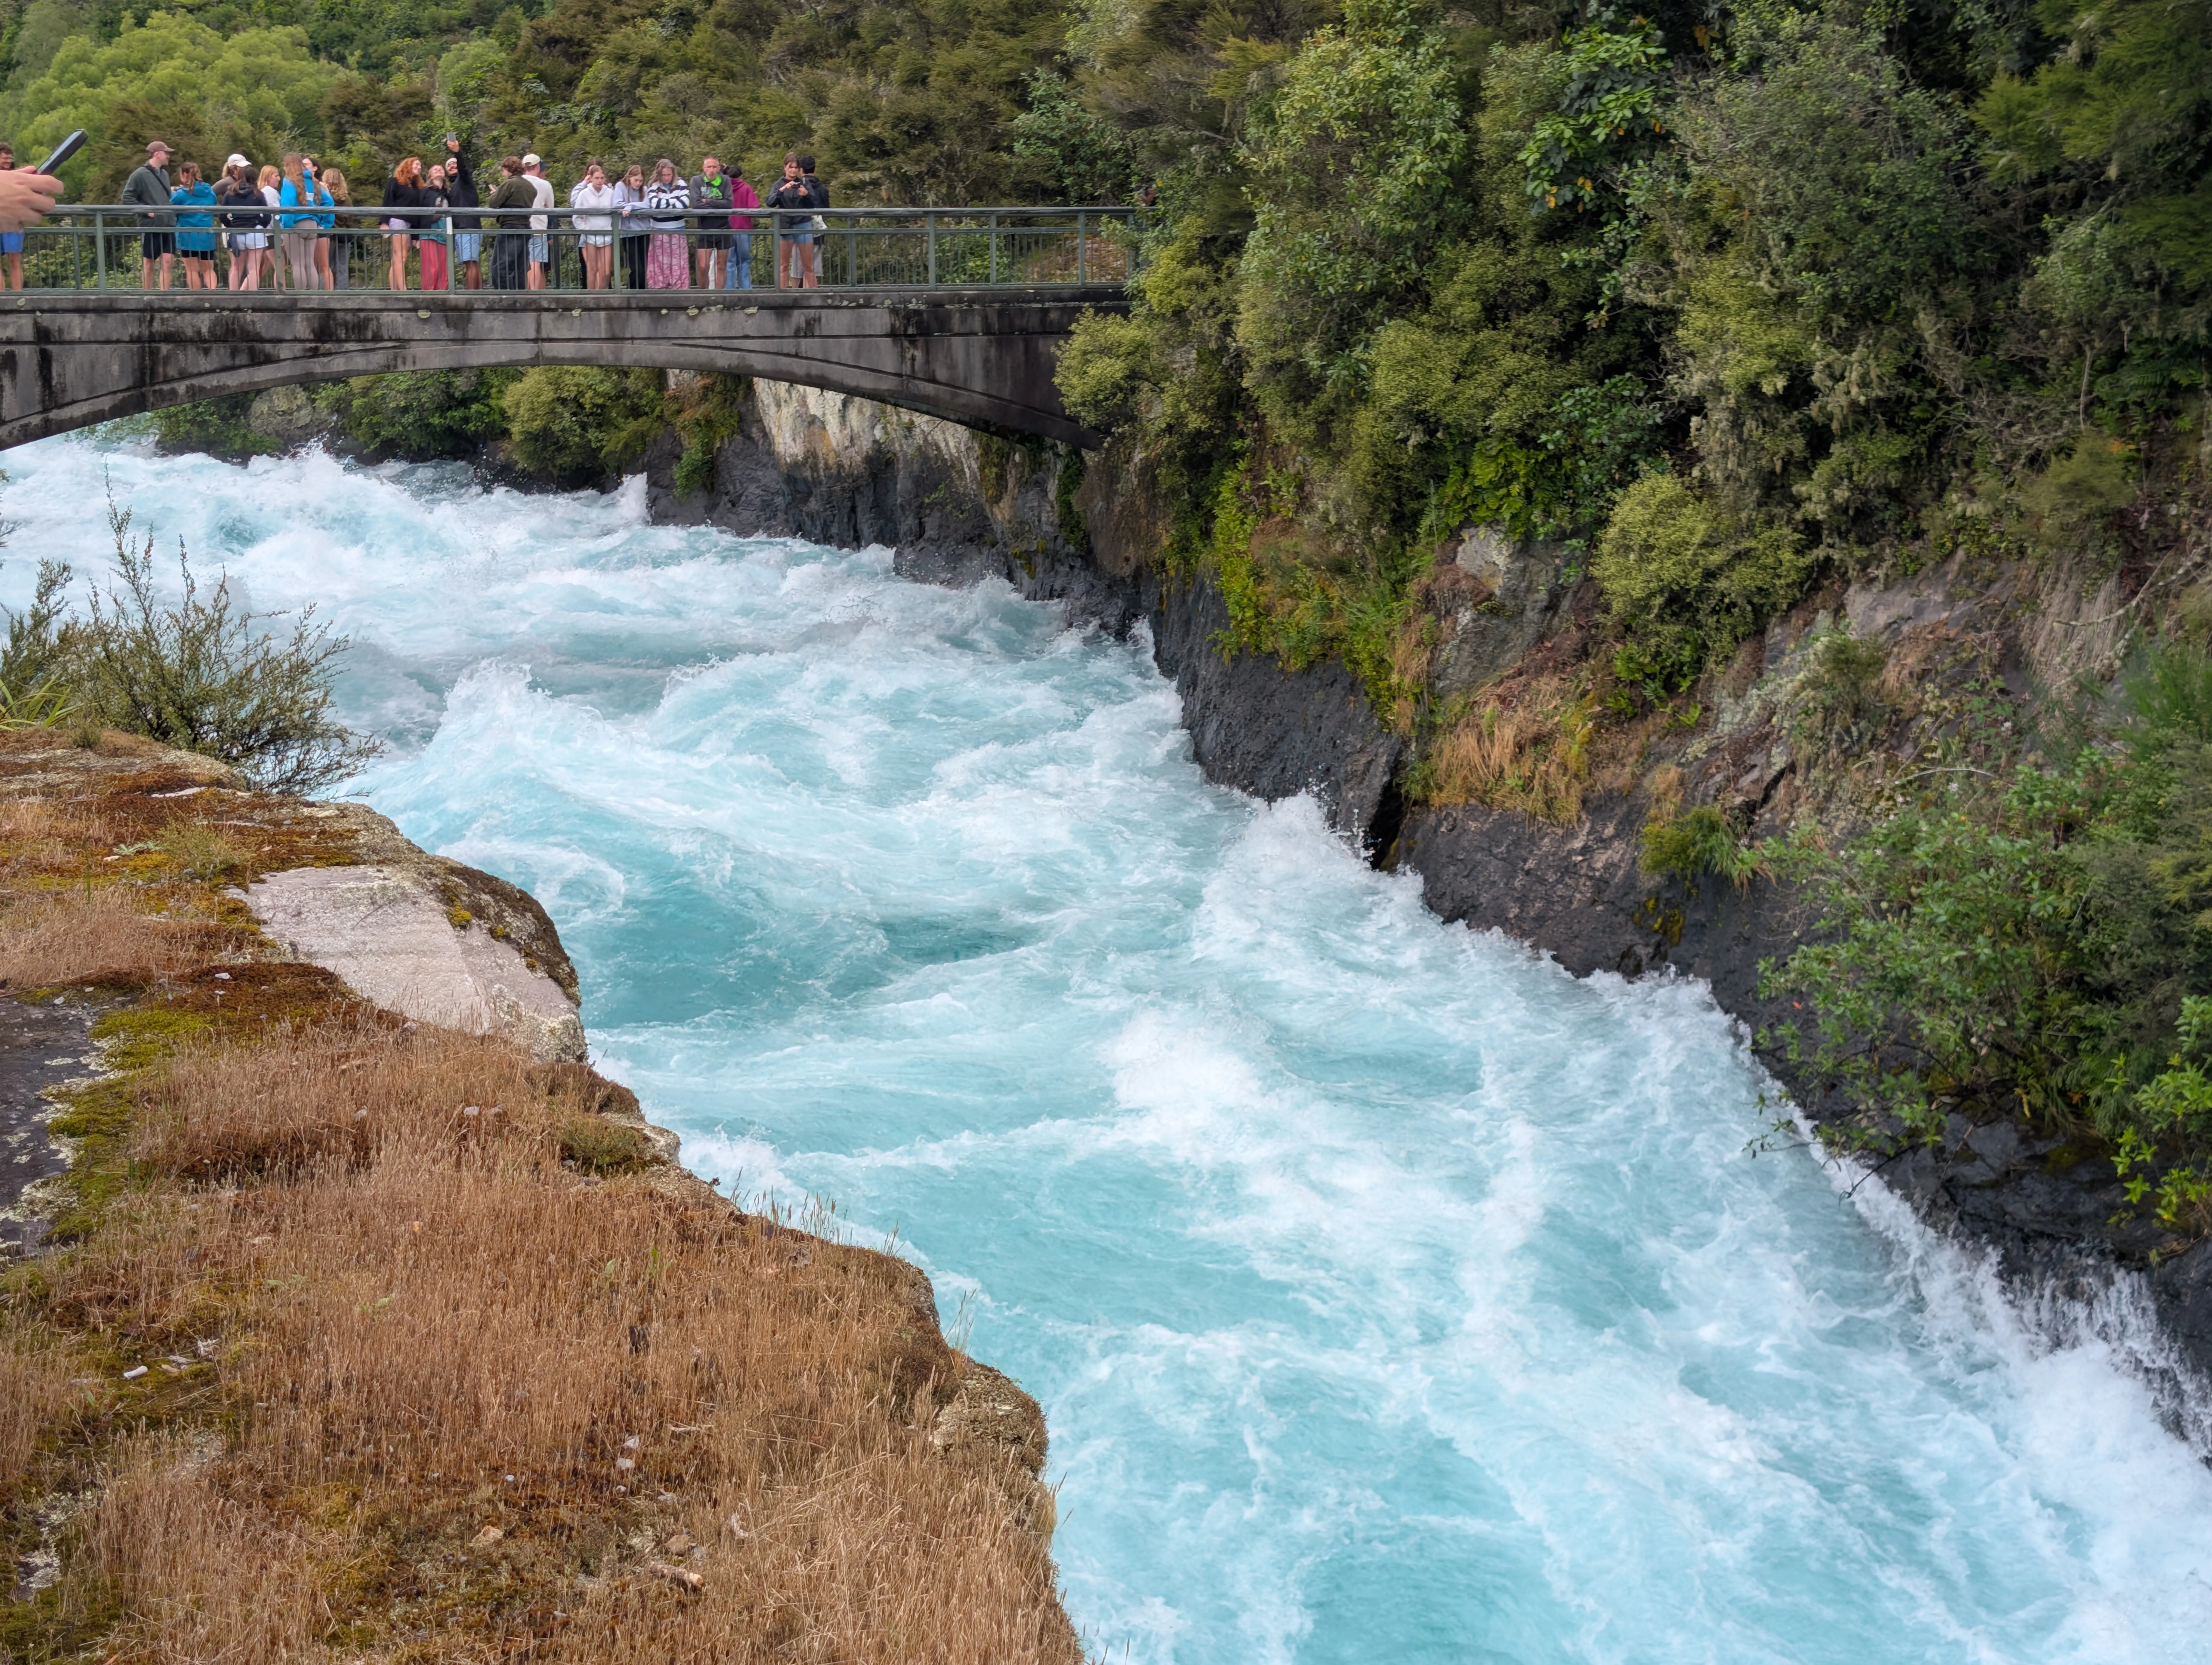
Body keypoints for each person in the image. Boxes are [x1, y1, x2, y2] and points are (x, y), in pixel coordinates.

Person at [122, 139, 175, 290]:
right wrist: (145, 210)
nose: (169, 157)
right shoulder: (140, 174)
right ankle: (147, 294)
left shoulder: (164, 174)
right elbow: (128, 197)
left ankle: (164, 295)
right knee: (150, 262)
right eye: (166, 153)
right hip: (151, 225)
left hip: (168, 224)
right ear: (158, 154)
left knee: (168, 261)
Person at [277, 152, 326, 290]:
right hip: (313, 224)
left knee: (298, 264)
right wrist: (324, 223)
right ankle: (314, 297)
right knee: (310, 263)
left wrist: (286, 225)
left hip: (296, 224)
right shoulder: (312, 181)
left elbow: (287, 204)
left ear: (289, 166)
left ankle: (301, 297)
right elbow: (328, 201)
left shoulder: (289, 181)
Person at [218, 157, 268, 290]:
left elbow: (222, 215)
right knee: (254, 269)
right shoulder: (259, 194)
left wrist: (231, 225)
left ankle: (234, 298)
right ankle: (253, 298)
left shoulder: (230, 194)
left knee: (236, 268)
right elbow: (267, 215)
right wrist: (261, 223)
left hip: (236, 232)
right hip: (255, 232)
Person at [766, 152, 813, 290]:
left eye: (796, 168)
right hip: (786, 225)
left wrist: (806, 195)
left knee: (808, 265)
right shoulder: (778, 185)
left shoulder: (805, 183)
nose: (793, 170)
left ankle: (815, 296)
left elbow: (814, 204)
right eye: (790, 167)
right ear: (785, 168)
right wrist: (782, 190)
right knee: (784, 265)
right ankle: (782, 296)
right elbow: (770, 203)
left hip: (803, 223)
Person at [487, 155, 534, 290]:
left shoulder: (510, 184)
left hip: (510, 227)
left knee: (500, 266)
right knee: (520, 267)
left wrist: (495, 194)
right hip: (526, 227)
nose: (504, 174)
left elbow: (493, 203)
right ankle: (520, 297)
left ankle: (505, 296)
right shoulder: (530, 186)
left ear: (508, 169)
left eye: (504, 171)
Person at [170, 160, 217, 290]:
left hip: (188, 236)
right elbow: (214, 203)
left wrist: (174, 192)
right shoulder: (209, 191)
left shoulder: (181, 194)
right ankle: (214, 296)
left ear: (185, 175)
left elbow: (171, 206)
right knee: (208, 270)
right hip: (206, 235)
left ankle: (197, 298)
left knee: (192, 270)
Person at [689, 155, 734, 289]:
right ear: (704, 168)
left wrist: (707, 201)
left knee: (721, 265)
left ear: (719, 168)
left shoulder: (725, 180)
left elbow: (729, 204)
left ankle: (719, 298)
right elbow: (696, 204)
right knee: (703, 266)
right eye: (709, 167)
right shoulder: (697, 181)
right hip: (704, 228)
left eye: (715, 167)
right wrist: (718, 204)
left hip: (723, 227)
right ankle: (704, 296)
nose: (712, 170)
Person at [569, 160, 615, 289]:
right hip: (590, 235)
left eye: (602, 178)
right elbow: (577, 216)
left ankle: (603, 296)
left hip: (607, 234)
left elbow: (616, 212)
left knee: (606, 271)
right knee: (592, 269)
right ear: (591, 178)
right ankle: (592, 298)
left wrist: (613, 228)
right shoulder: (584, 194)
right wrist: (586, 230)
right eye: (597, 178)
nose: (600, 181)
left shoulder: (611, 193)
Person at [643, 158, 689, 289]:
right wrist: (674, 202)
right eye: (664, 175)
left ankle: (679, 288)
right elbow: (654, 204)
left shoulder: (681, 184)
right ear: (659, 175)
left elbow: (685, 204)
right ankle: (660, 287)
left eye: (669, 175)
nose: (667, 178)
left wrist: (664, 203)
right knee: (661, 262)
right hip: (659, 229)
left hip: (678, 228)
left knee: (679, 261)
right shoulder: (654, 187)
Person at [443, 137, 482, 289]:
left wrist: (458, 153)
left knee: (470, 263)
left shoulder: (464, 179)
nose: (452, 165)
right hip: (463, 228)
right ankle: (478, 294)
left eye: (454, 163)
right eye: (449, 165)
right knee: (472, 262)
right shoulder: (454, 187)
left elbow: (464, 168)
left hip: (468, 226)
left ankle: (473, 296)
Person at [383, 156, 423, 290]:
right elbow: (387, 202)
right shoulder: (396, 182)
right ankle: (403, 289)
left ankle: (394, 289)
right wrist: (384, 222)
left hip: (409, 224)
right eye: (416, 165)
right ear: (408, 166)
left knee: (398, 258)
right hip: (398, 220)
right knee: (401, 256)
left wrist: (416, 236)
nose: (419, 167)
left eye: (420, 166)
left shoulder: (417, 187)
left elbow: (418, 212)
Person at [722, 159, 760, 291]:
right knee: (745, 261)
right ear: (741, 177)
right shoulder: (747, 189)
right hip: (744, 230)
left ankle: (729, 290)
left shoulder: (724, 190)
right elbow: (754, 208)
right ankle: (746, 289)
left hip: (728, 229)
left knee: (729, 262)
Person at [417, 161, 451, 290]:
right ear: (430, 177)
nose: (439, 170)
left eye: (441, 169)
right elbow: (417, 212)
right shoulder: (425, 191)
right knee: (432, 268)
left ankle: (442, 295)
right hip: (429, 233)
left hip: (445, 234)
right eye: (435, 169)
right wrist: (416, 236)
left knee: (444, 269)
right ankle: (429, 295)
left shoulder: (448, 194)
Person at [614, 163, 648, 290]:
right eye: (636, 180)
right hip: (628, 233)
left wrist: (631, 207)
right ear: (629, 178)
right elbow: (617, 204)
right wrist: (636, 210)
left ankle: (641, 292)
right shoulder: (621, 186)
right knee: (636, 267)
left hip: (644, 232)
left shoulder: (644, 190)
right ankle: (633, 291)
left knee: (644, 268)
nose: (638, 183)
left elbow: (648, 205)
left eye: (641, 181)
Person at [522, 153, 553, 288]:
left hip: (521, 227)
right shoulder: (545, 185)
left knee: (527, 264)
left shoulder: (518, 182)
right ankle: (536, 295)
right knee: (536, 264)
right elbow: (551, 207)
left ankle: (528, 293)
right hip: (539, 228)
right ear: (538, 166)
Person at [321, 168, 352, 289]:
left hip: (328, 235)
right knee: (343, 268)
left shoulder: (325, 198)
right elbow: (351, 217)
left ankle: (325, 293)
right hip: (343, 235)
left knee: (325, 267)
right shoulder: (347, 199)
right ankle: (343, 294)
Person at [0, 146, 26, 291]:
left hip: (14, 222)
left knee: (15, 260)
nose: (9, 161)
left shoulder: (16, 175)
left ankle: (18, 296)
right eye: (5, 158)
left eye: (10, 158)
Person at [257, 165, 284, 287]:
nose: (279, 179)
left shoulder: (262, 191)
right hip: (272, 233)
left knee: (265, 265)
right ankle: (281, 294)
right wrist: (282, 231)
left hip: (267, 232)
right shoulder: (270, 192)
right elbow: (276, 213)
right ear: (268, 177)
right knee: (280, 265)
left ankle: (244, 289)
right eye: (276, 176)